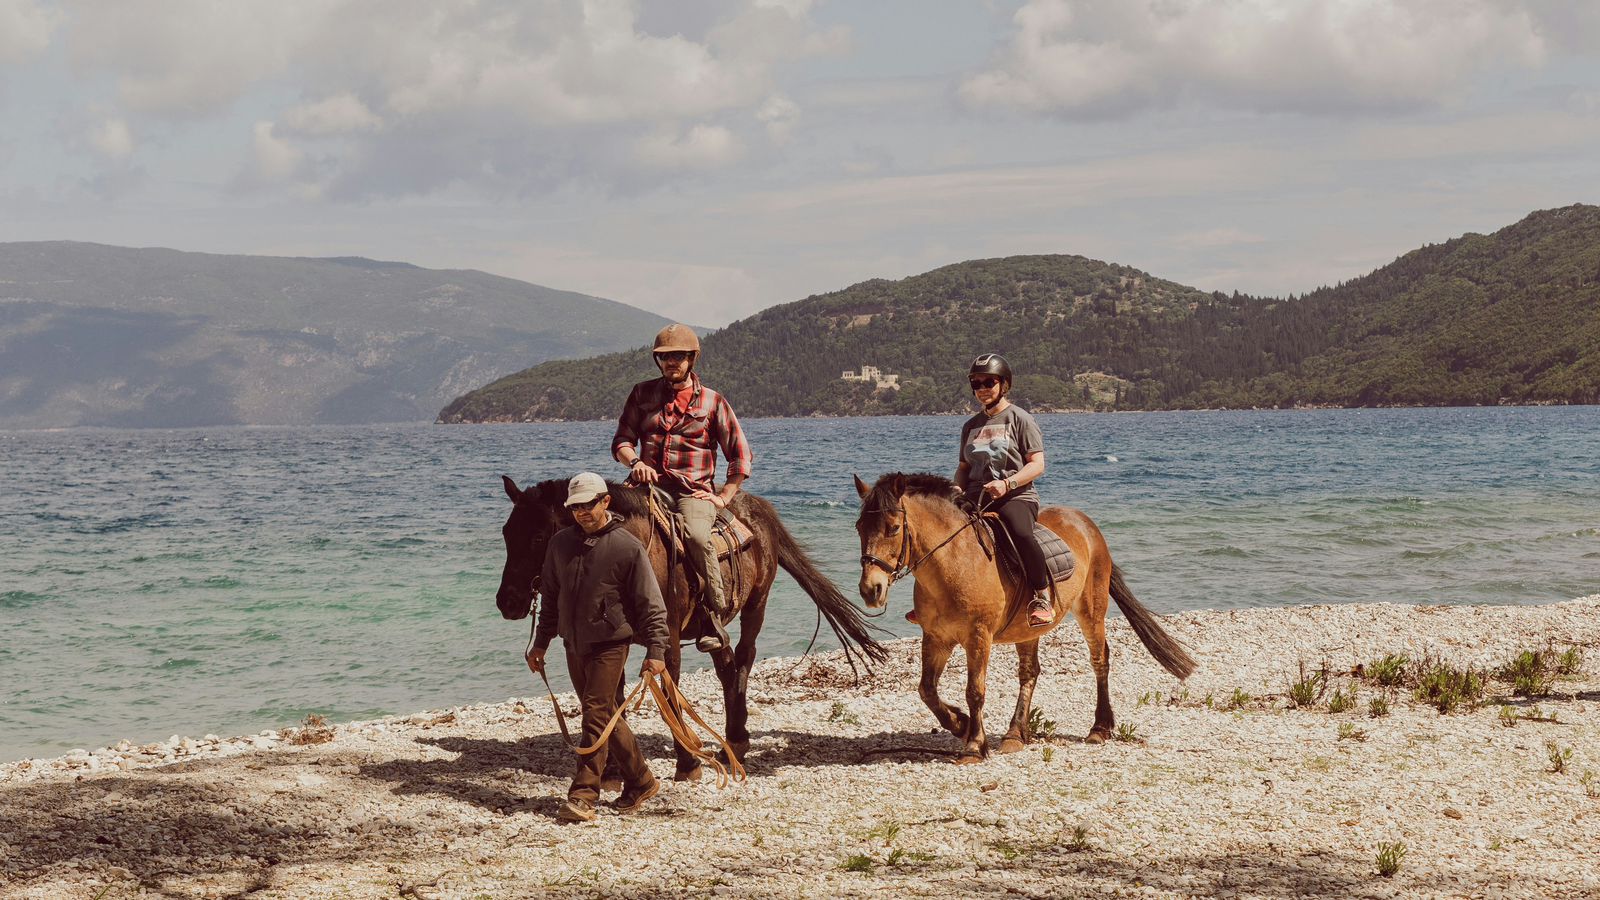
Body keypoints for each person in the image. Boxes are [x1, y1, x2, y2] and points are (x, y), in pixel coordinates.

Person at [526, 472, 670, 823]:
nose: (581, 512)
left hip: (610, 643)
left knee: (594, 713)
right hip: (573, 642)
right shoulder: (560, 544)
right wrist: (540, 642)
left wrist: (656, 651)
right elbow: (551, 597)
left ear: (605, 501)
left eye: (587, 505)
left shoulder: (627, 547)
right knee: (607, 712)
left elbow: (652, 604)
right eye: (575, 507)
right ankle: (641, 781)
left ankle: (583, 794)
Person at [611, 323, 753, 653]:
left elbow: (740, 455)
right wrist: (635, 463)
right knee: (603, 528)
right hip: (644, 486)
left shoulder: (713, 402)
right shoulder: (641, 394)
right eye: (664, 357)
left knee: (698, 537)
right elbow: (622, 441)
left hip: (692, 492)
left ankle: (712, 617)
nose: (671, 362)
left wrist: (722, 497)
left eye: (678, 356)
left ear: (692, 359)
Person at [949, 353, 1052, 627]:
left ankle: (1041, 594)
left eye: (988, 382)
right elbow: (963, 466)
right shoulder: (970, 426)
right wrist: (955, 488)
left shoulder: (1021, 419)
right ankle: (936, 599)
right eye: (976, 383)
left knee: (1020, 532)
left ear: (1003, 384)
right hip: (975, 495)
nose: (982, 389)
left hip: (1016, 495)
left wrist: (1008, 483)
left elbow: (1038, 465)